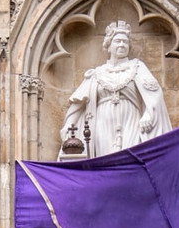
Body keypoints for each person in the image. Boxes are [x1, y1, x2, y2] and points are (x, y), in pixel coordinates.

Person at [59, 20, 172, 158]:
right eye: (117, 41)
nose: (122, 45)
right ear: (109, 45)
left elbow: (154, 94)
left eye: (125, 42)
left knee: (131, 159)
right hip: (102, 123)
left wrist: (149, 114)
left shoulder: (137, 67)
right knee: (104, 159)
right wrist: (69, 124)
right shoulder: (96, 73)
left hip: (132, 119)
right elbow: (78, 102)